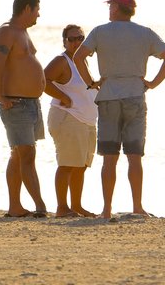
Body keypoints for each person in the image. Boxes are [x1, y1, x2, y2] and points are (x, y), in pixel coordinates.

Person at [72, 0, 165, 219]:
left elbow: (78, 58)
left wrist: (91, 82)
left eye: (111, 6)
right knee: (134, 156)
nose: (109, 9)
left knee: (109, 157)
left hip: (109, 95)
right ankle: (137, 207)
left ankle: (107, 209)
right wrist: (152, 83)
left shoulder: (100, 32)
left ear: (116, 8)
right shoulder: (144, 33)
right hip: (135, 95)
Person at [0, 0, 56, 218]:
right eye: (37, 9)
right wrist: (0, 97)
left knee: (19, 155)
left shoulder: (23, 33)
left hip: (30, 104)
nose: (39, 14)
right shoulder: (7, 31)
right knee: (26, 154)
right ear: (27, 8)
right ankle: (40, 205)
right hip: (15, 103)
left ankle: (15, 207)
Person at [43, 24, 99, 218]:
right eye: (72, 39)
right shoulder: (62, 61)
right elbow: (43, 80)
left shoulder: (81, 61)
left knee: (81, 166)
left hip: (86, 121)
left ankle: (76, 206)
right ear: (64, 41)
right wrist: (64, 97)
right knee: (66, 164)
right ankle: (61, 207)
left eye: (80, 38)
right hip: (68, 118)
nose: (76, 42)